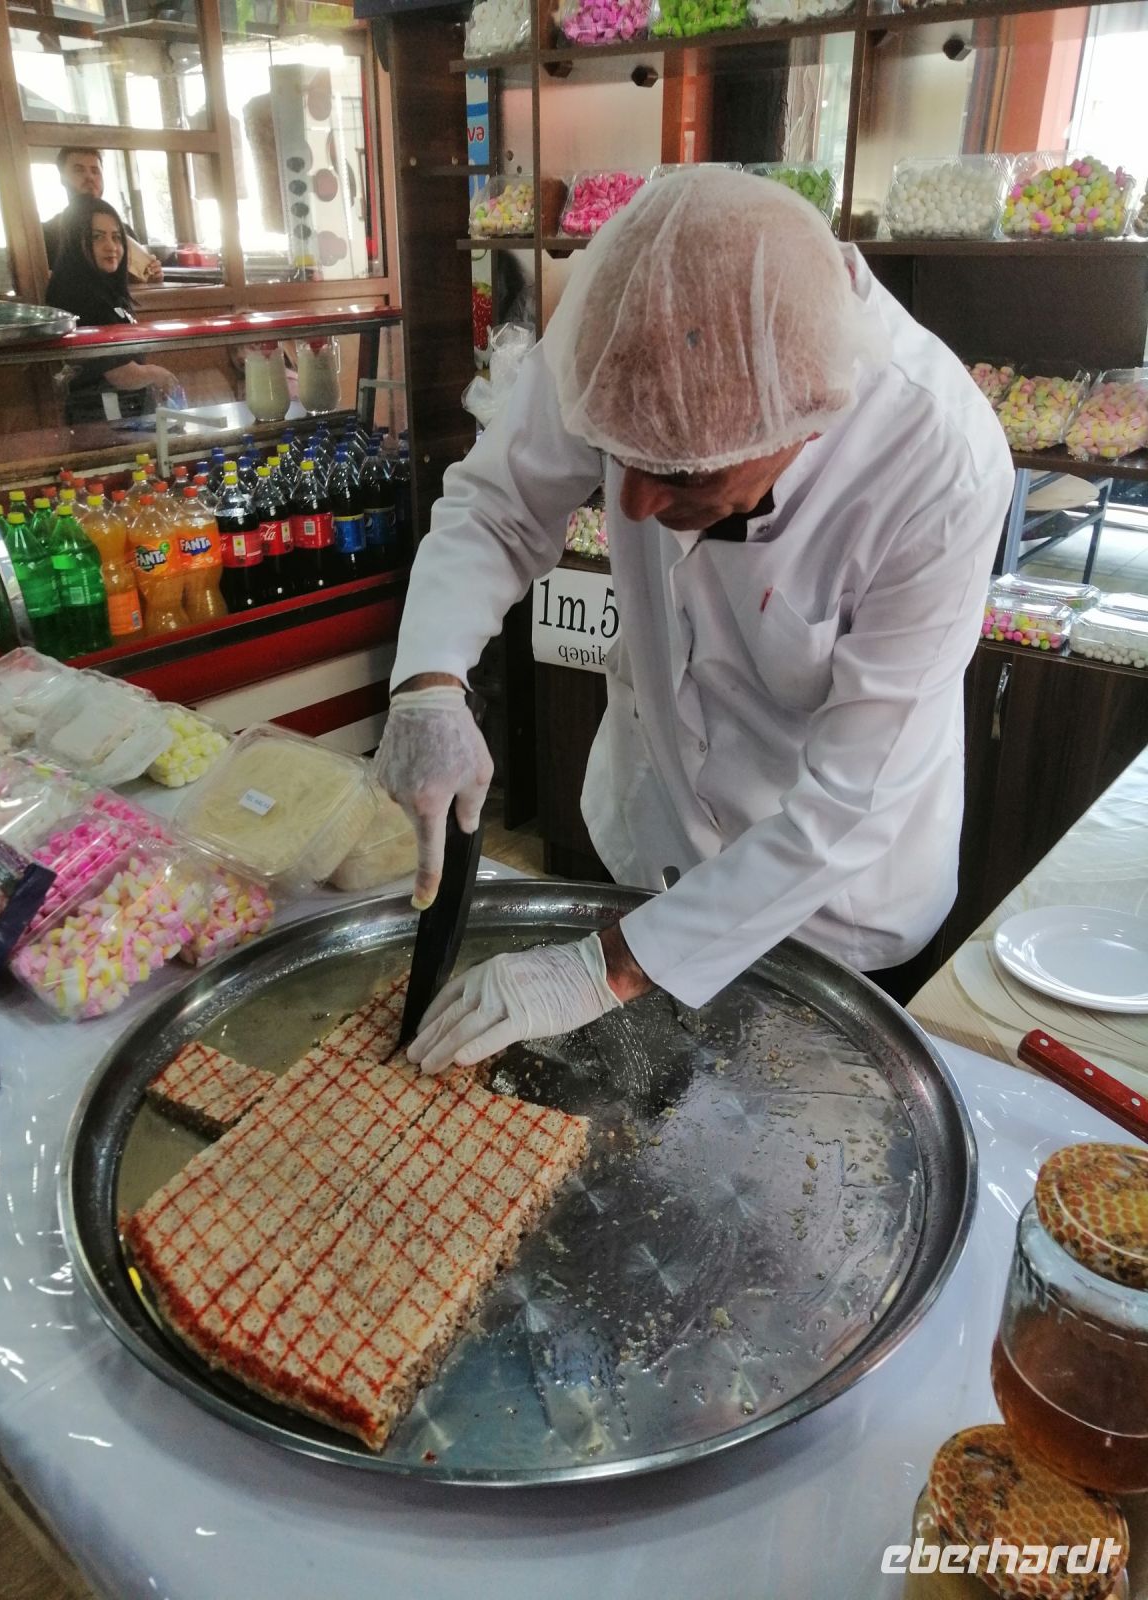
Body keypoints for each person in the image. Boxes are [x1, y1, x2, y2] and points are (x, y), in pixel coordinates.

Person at [374, 169, 1014, 1075]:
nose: (631, 506)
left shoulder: (937, 465)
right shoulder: (626, 318)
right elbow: (498, 503)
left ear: (807, 423)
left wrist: (603, 968)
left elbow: (850, 802)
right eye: (614, 458)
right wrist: (430, 681)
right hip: (654, 828)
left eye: (679, 476)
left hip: (831, 904)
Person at [44, 197, 180, 426]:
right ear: (75, 241)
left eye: (116, 237)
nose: (111, 246)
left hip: (125, 409)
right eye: (97, 237)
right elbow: (118, 373)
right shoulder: (75, 292)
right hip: (100, 414)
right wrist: (158, 374)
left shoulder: (106, 288)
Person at [42, 146, 163, 284]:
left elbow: (139, 281)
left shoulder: (124, 231)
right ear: (62, 178)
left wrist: (153, 276)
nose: (89, 177)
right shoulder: (45, 236)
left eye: (95, 171)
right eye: (79, 170)